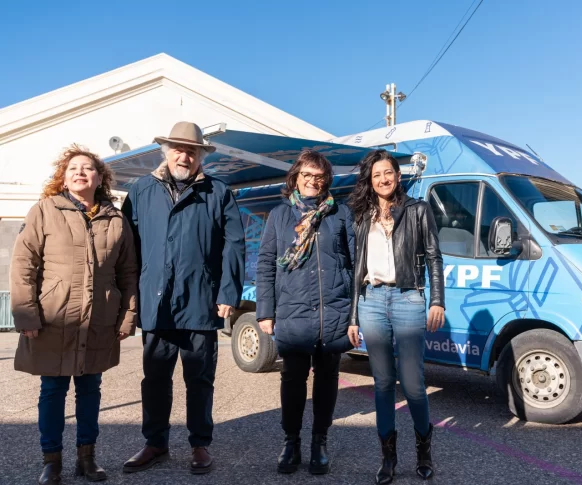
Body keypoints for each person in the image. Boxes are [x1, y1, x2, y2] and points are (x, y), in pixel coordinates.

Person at [121, 122, 246, 475]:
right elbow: (127, 246)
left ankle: (200, 445)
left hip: (200, 302)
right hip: (156, 302)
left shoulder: (217, 192)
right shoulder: (143, 190)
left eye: (191, 150)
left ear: (200, 156)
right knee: (155, 377)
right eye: (177, 148)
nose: (184, 155)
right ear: (166, 151)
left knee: (199, 378)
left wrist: (227, 292)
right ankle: (155, 443)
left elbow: (233, 245)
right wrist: (130, 297)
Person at [11, 145, 138, 484]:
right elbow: (24, 265)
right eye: (73, 168)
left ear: (100, 178)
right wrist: (26, 315)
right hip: (54, 319)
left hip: (99, 321)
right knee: (52, 391)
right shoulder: (44, 211)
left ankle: (87, 457)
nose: (80, 172)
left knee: (90, 389)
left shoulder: (116, 218)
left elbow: (128, 273)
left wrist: (127, 316)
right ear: (63, 177)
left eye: (88, 168)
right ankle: (51, 460)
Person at [347, 150, 445, 484]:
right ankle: (388, 458)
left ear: (398, 175)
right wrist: (352, 317)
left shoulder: (418, 209)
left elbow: (434, 255)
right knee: (383, 383)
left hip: (408, 298)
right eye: (376, 175)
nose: (383, 179)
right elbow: (356, 267)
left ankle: (423, 450)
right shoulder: (362, 215)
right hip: (371, 300)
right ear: (370, 180)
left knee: (414, 384)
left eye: (388, 173)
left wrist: (437, 300)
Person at [256, 150, 355, 475]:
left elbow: (355, 266)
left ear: (326, 180)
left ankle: (319, 442)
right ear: (295, 178)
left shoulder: (340, 214)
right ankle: (291, 441)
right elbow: (267, 265)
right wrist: (265, 312)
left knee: (327, 379)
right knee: (293, 379)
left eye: (319, 176)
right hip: (293, 312)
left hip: (334, 312)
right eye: (306, 175)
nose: (313, 181)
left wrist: (355, 314)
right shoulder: (279, 216)